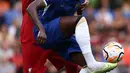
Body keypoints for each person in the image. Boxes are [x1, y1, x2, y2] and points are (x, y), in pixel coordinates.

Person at [27, 0, 118, 73]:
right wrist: (41, 30)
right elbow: (30, 8)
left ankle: (89, 67)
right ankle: (92, 63)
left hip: (61, 36)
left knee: (86, 65)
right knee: (81, 21)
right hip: (45, 32)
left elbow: (75, 18)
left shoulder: (79, 1)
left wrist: (80, 9)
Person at [20, 0, 81, 73]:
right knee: (33, 70)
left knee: (72, 65)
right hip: (33, 29)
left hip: (55, 24)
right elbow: (31, 8)